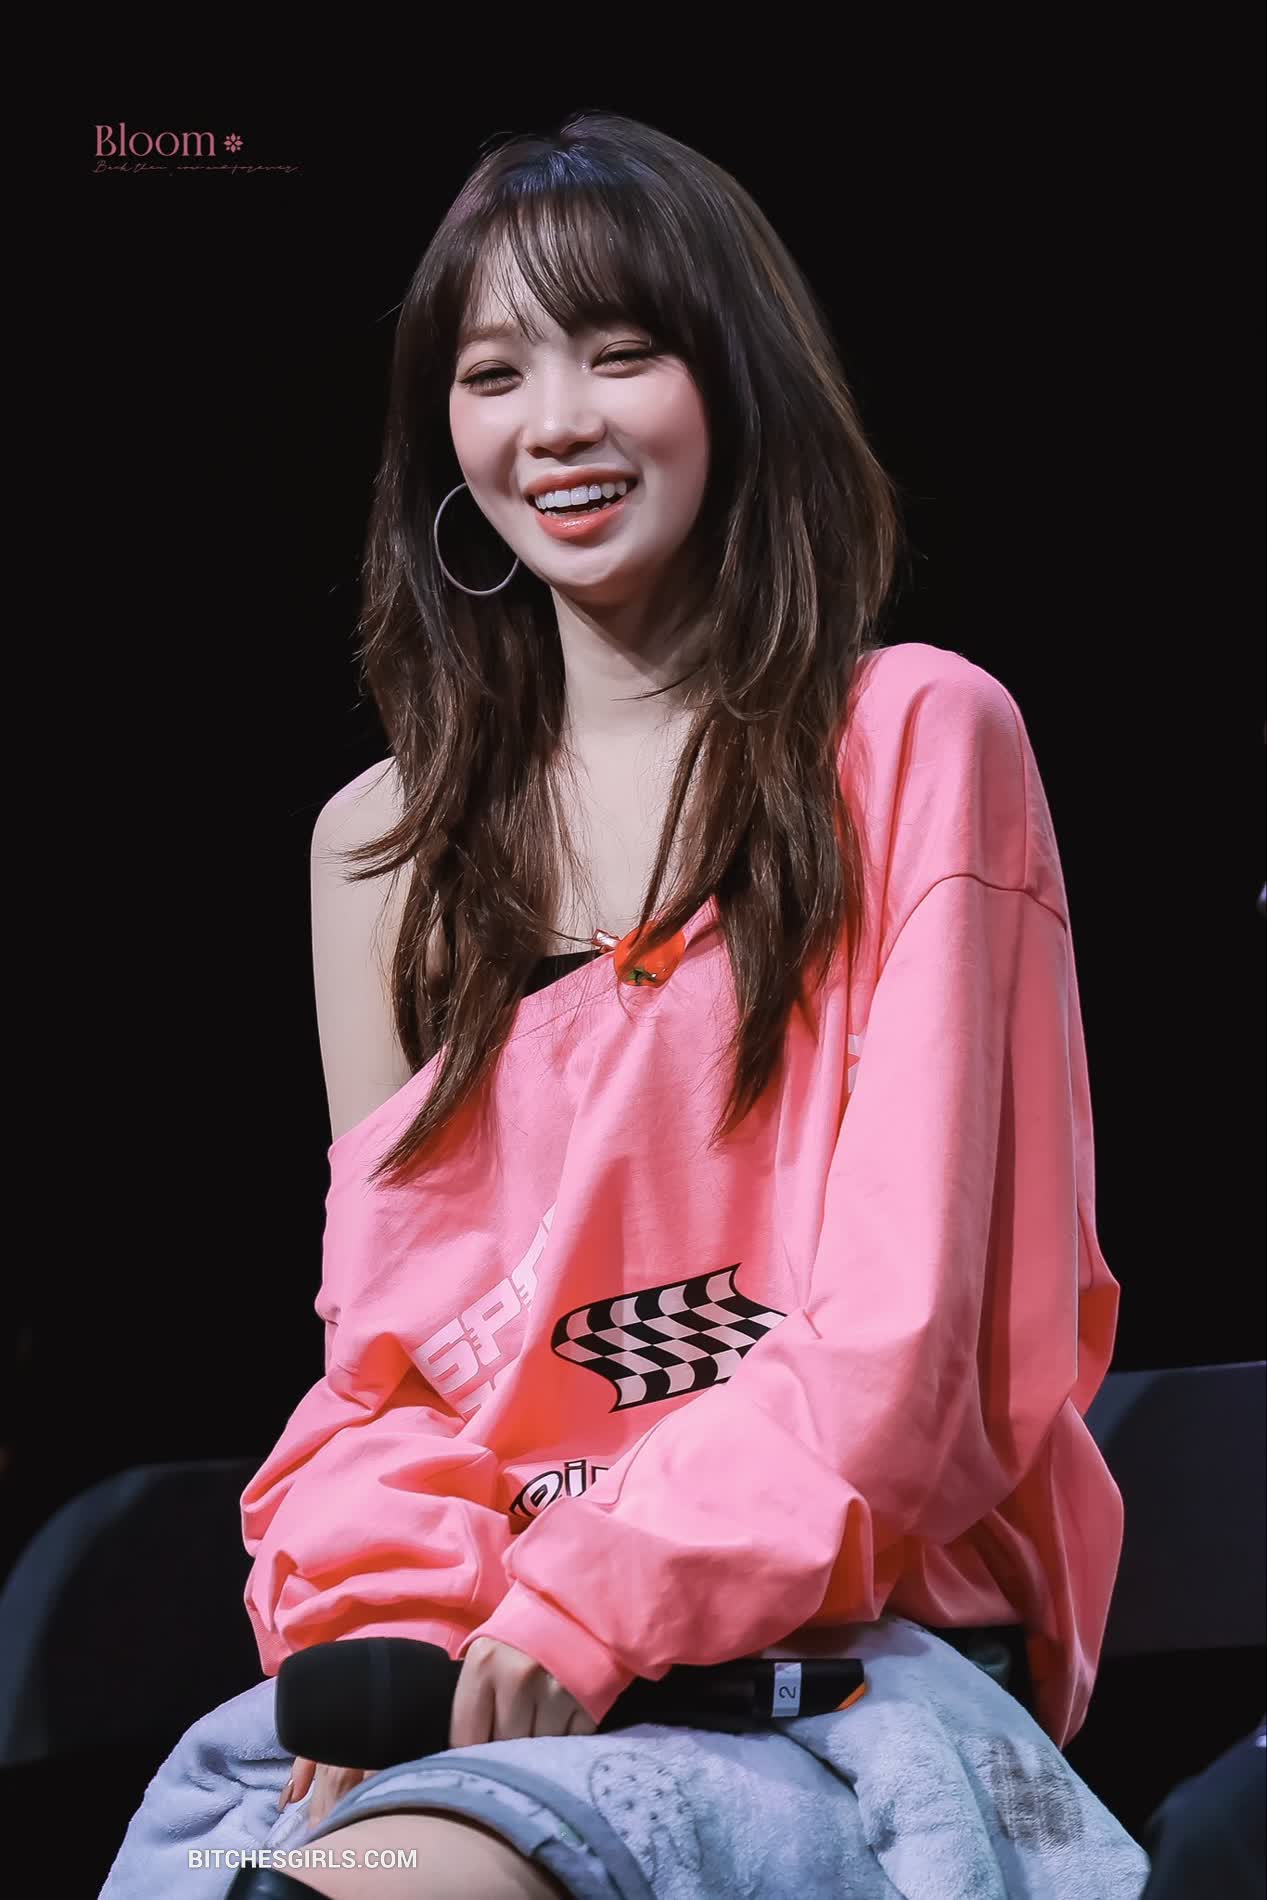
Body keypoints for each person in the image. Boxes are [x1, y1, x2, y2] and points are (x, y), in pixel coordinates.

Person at [105, 111, 1152, 1900]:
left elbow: (908, 1347)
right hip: (487, 1669)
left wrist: (598, 1602)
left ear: (733, 380)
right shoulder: (380, 853)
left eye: (621, 350)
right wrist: (389, 1622)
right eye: (494, 372)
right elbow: (389, 1379)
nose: (556, 423)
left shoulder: (913, 739)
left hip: (826, 1670)